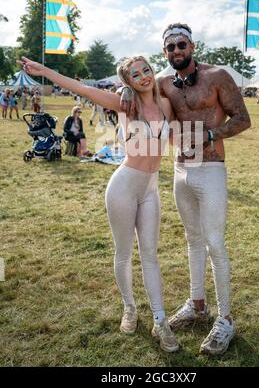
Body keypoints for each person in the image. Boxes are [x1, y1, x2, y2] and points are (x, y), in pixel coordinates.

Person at [18, 55, 179, 353]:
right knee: (124, 252)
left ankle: (160, 321)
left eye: (146, 70)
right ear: (127, 81)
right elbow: (81, 88)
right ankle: (129, 308)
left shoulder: (167, 104)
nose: (143, 76)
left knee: (151, 256)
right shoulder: (125, 103)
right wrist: (46, 71)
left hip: (151, 190)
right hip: (123, 187)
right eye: (135, 74)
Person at [120, 22, 251, 356]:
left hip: (211, 168)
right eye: (170, 47)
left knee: (215, 243)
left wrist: (209, 135)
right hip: (181, 170)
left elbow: (242, 119)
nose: (176, 51)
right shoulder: (163, 82)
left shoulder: (218, 76)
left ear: (192, 45)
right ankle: (197, 303)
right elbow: (140, 88)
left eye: (181, 45)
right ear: (164, 52)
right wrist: (126, 89)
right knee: (192, 241)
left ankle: (225, 317)